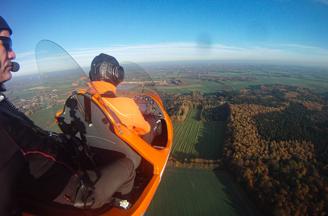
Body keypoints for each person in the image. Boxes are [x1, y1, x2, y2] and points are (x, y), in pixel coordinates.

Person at [0, 16, 136, 215]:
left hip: (65, 171)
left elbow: (31, 147)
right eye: (6, 43)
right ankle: (125, 208)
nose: (13, 53)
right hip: (74, 192)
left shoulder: (3, 108)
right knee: (128, 166)